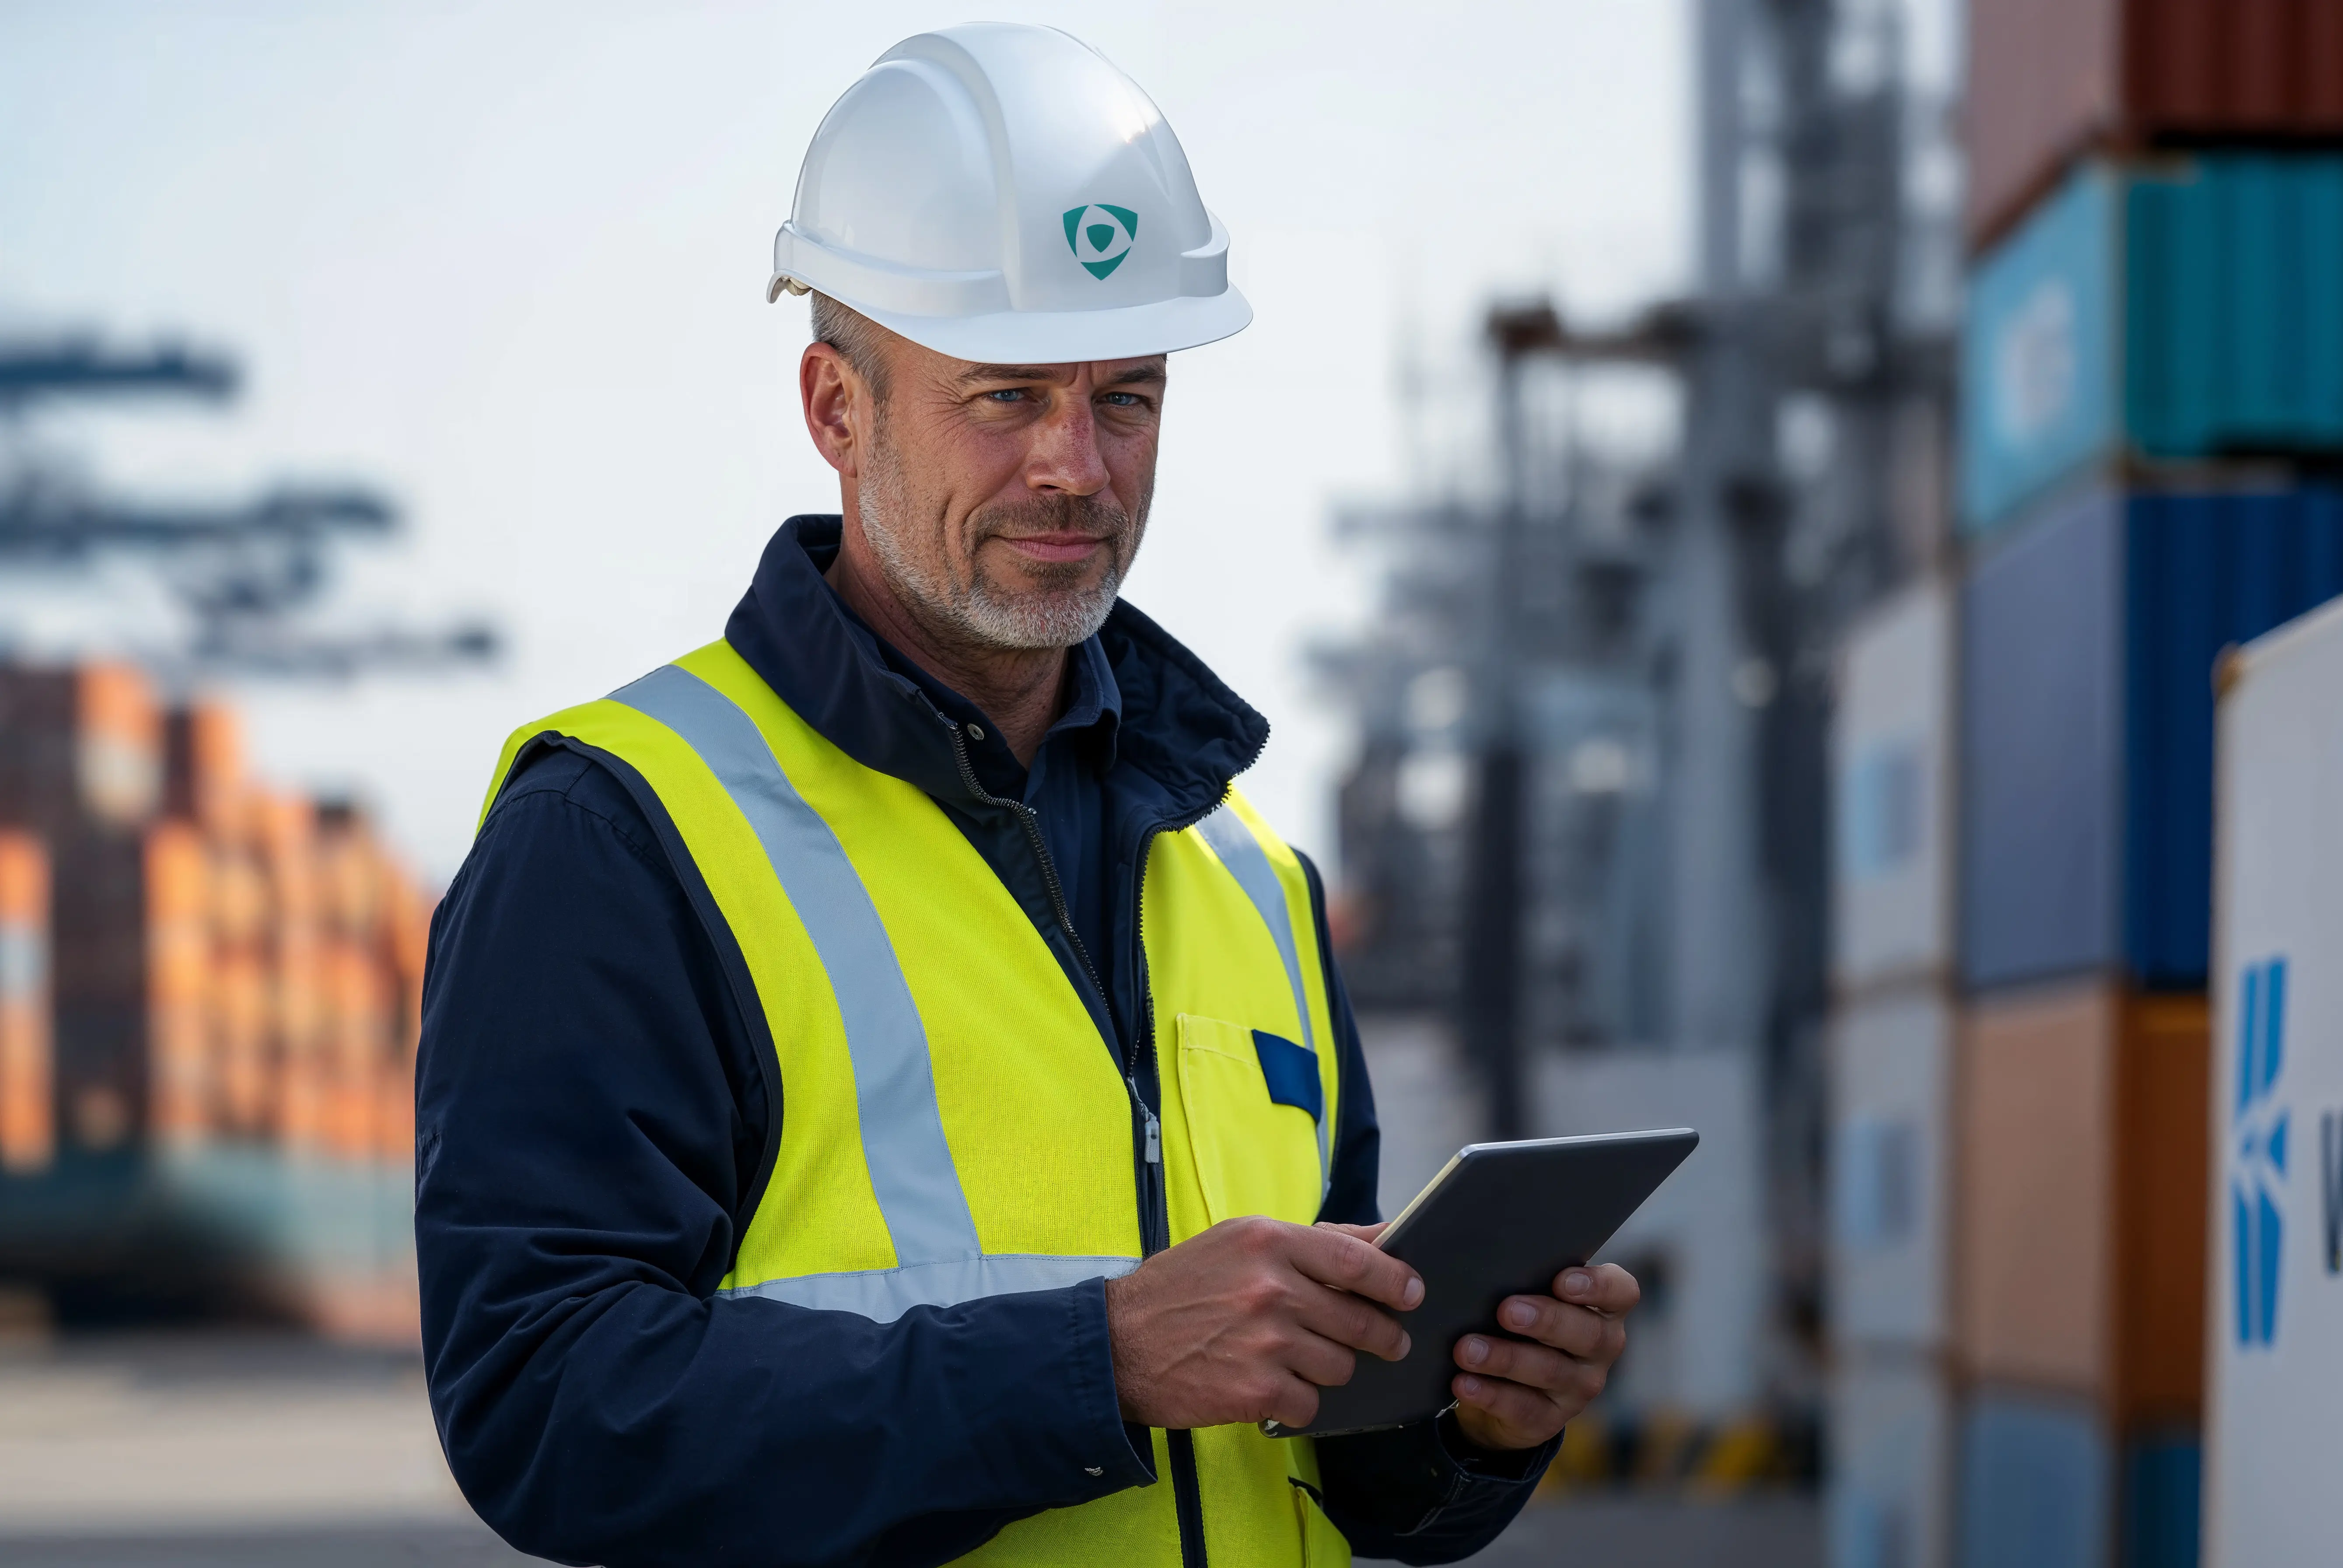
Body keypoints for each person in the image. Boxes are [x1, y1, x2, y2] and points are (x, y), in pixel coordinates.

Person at [416, 23, 1640, 1568]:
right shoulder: (620, 834)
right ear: (835, 408)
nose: (1079, 468)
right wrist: (1100, 1364)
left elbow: (1322, 1456)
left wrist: (1470, 1421)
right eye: (1005, 397)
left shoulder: (1250, 872)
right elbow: (545, 1412)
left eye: (1126, 397)